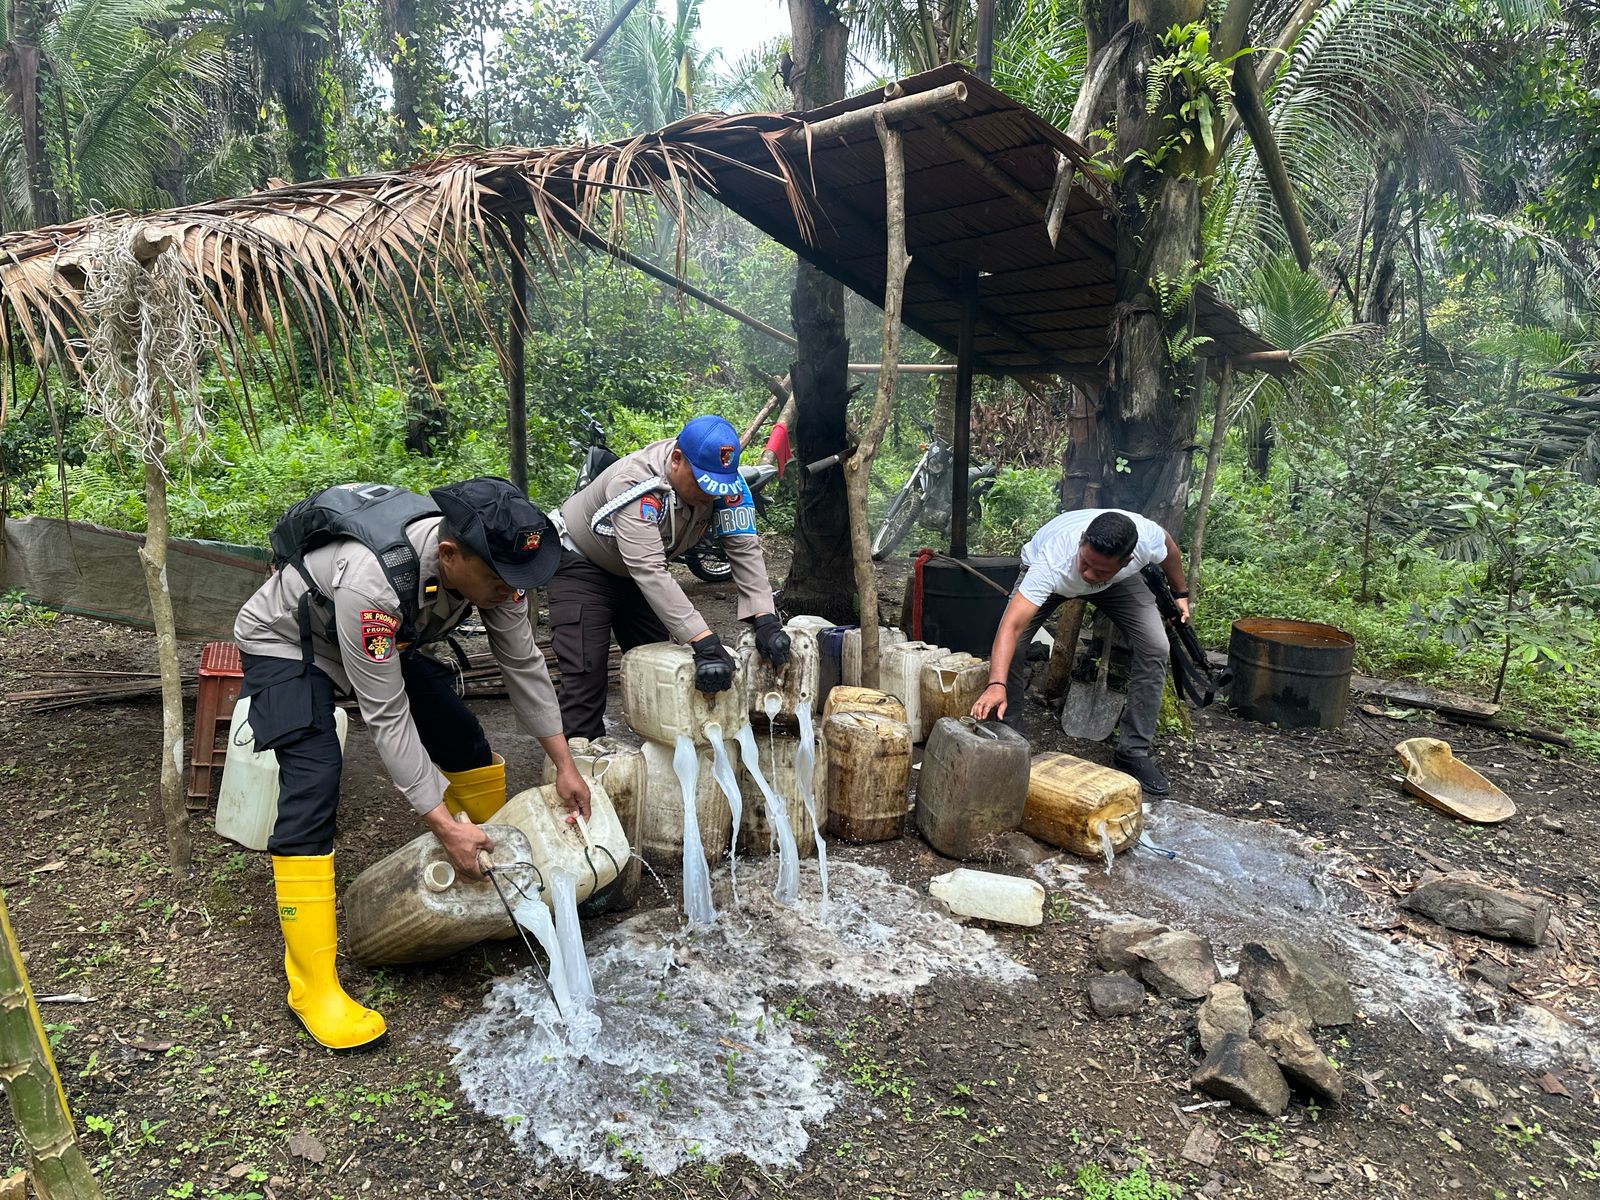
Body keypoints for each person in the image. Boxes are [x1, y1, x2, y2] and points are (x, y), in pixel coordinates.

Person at [234, 477, 591, 1052]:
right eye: (501, 581)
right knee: (314, 779)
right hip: (290, 644)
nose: (512, 592)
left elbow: (524, 666)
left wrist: (564, 763)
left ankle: (501, 883)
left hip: (380, 644)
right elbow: (386, 715)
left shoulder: (501, 575)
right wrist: (443, 825)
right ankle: (313, 986)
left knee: (462, 738)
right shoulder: (374, 582)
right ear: (449, 555)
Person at [548, 414, 790, 739]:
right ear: (677, 459)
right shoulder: (636, 483)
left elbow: (744, 547)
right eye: (702, 483)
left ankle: (660, 760)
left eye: (716, 486)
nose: (710, 495)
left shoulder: (728, 485)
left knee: (666, 668)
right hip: (583, 567)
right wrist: (704, 641)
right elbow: (649, 568)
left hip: (637, 578)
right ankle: (579, 760)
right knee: (585, 678)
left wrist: (765, 619)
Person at [971, 509, 1191, 794]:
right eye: (1085, 563)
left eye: (1099, 570)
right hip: (1055, 580)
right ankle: (1009, 732)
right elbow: (1010, 628)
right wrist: (996, 684)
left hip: (1116, 585)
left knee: (1156, 646)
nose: (1087, 574)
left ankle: (1133, 751)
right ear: (1081, 542)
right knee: (1017, 643)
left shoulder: (1146, 540)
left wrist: (1180, 594)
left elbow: (1170, 549)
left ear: (1127, 560)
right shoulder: (1053, 559)